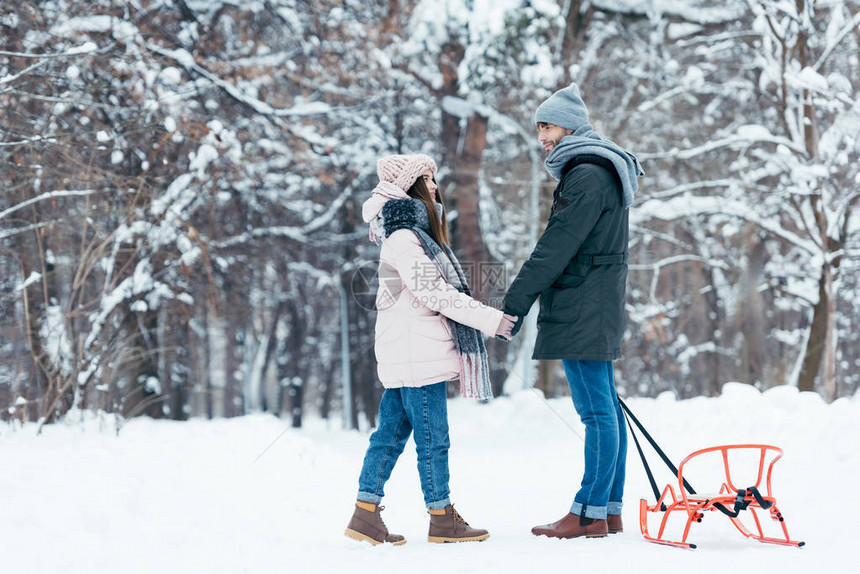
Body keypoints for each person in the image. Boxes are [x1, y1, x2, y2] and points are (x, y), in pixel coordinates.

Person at [345, 153, 517, 546]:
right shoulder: (406, 238)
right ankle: (442, 517)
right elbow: (436, 293)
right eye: (428, 178)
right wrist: (492, 321)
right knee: (433, 440)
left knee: (388, 437)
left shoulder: (404, 234)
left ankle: (365, 514)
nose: (436, 186)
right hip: (416, 355)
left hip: (407, 353)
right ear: (412, 186)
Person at [502, 83, 644, 539]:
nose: (541, 136)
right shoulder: (602, 168)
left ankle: (587, 513)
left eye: (547, 125)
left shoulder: (585, 174)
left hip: (582, 302)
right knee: (606, 409)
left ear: (570, 124)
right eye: (539, 127)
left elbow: (555, 247)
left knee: (597, 413)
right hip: (595, 301)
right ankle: (608, 508)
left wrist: (514, 301)